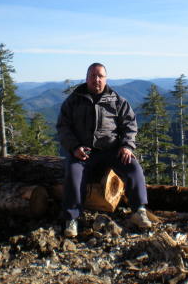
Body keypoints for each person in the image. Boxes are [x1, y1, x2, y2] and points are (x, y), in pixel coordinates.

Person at [57, 63, 151, 237]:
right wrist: (74, 147)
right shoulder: (73, 101)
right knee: (73, 172)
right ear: (86, 78)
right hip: (84, 152)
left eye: (100, 76)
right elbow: (63, 127)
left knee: (133, 166)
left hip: (112, 151)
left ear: (106, 79)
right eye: (93, 76)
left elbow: (130, 125)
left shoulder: (117, 101)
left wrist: (127, 146)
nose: (96, 79)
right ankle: (71, 219)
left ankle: (139, 211)